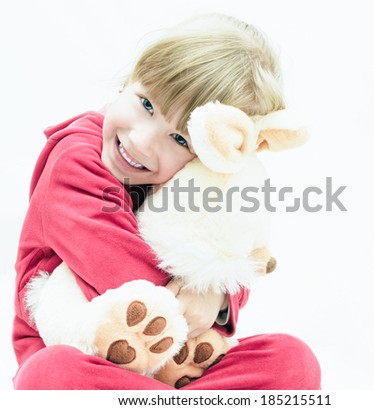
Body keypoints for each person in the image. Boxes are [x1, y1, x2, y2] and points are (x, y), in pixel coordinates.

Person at [13, 13, 321, 389]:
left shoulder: (198, 183)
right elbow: (117, 272)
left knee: (292, 360)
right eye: (146, 104)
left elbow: (232, 246)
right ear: (130, 80)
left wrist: (217, 296)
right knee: (48, 375)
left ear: (212, 160)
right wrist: (199, 294)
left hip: (176, 369)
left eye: (179, 140)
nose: (142, 141)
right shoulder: (75, 157)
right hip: (90, 356)